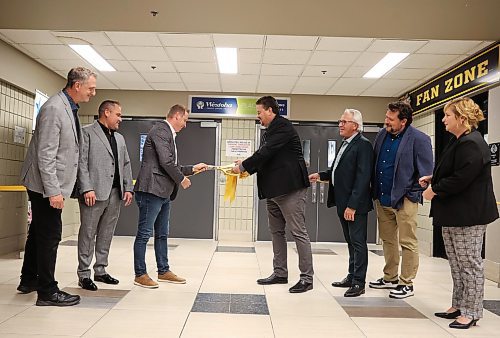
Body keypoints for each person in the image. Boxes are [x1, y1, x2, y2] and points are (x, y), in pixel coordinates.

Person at [18, 67, 97, 306]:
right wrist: (54, 191)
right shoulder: (54, 108)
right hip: (45, 185)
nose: (93, 92)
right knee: (50, 235)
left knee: (39, 233)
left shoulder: (68, 107)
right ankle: (47, 292)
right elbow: (45, 154)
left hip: (48, 183)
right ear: (77, 85)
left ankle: (29, 279)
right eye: (91, 88)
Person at [420, 97, 498, 329]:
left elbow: (462, 178)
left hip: (468, 216)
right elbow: (455, 169)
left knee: (469, 264)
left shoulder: (472, 143)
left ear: (462, 118)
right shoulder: (458, 141)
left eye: (447, 116)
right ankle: (459, 304)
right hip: (453, 214)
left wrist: (434, 190)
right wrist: (433, 178)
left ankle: (472, 312)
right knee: (456, 262)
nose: (443, 119)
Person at [232, 96, 314, 293]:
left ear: (270, 110)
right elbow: (265, 158)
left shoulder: (283, 127)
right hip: (273, 191)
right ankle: (280, 273)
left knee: (298, 232)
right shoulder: (268, 132)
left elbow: (267, 152)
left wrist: (244, 165)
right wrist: (244, 168)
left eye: (259, 112)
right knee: (276, 232)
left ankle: (307, 278)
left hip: (290, 190)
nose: (258, 116)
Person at [133, 104, 207, 288]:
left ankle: (163, 270)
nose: (185, 124)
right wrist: (181, 179)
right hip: (151, 190)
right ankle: (140, 274)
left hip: (163, 192)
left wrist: (192, 169)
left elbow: (173, 166)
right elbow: (166, 162)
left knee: (162, 234)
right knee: (144, 234)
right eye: (185, 120)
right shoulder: (160, 130)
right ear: (176, 116)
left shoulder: (169, 135)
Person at [369, 100, 433, 299]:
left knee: (407, 241)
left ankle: (407, 283)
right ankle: (390, 277)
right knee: (388, 240)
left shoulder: (419, 139)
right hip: (382, 197)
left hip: (404, 198)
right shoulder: (382, 135)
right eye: (386, 117)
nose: (386, 121)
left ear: (403, 121)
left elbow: (426, 172)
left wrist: (412, 193)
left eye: (390, 118)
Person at [309, 109, 373, 297]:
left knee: (358, 243)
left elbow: (362, 178)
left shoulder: (363, 145)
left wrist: (352, 205)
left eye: (345, 121)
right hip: (342, 203)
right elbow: (338, 171)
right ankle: (352, 275)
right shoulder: (345, 144)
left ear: (356, 125)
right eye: (340, 121)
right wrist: (321, 175)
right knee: (350, 242)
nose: (340, 124)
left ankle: (359, 282)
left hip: (355, 205)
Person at [76, 100, 134, 291]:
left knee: (106, 233)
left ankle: (100, 270)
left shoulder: (120, 138)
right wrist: (86, 188)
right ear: (106, 112)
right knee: (88, 233)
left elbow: (126, 164)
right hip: (94, 192)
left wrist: (128, 188)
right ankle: (84, 274)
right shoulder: (87, 133)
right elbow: (81, 163)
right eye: (118, 114)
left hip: (115, 193)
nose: (120, 119)